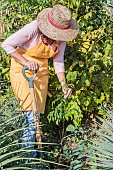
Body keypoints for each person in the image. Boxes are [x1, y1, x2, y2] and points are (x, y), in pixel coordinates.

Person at [1, 4, 78, 158]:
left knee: (36, 114)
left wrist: (64, 85)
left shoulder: (61, 38)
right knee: (31, 113)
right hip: (22, 70)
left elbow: (58, 62)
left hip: (41, 72)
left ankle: (29, 152)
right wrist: (26, 62)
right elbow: (6, 44)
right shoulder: (33, 28)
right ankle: (28, 155)